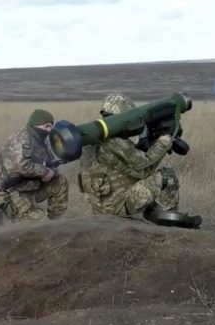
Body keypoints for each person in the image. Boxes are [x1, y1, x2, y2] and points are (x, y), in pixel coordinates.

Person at [78, 93, 201, 228]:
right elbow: (143, 170)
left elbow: (122, 165)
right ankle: (171, 219)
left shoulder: (93, 140)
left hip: (100, 207)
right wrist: (162, 145)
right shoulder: (115, 142)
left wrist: (141, 147)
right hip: (117, 207)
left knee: (139, 183)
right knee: (167, 175)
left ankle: (153, 213)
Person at [0, 109, 68, 222]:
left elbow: (50, 164)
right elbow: (22, 166)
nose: (49, 130)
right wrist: (45, 172)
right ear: (36, 124)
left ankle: (56, 221)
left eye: (51, 127)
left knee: (60, 181)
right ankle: (7, 217)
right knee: (40, 223)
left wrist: (51, 172)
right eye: (47, 126)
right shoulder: (21, 138)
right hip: (10, 193)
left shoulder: (41, 141)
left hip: (29, 189)